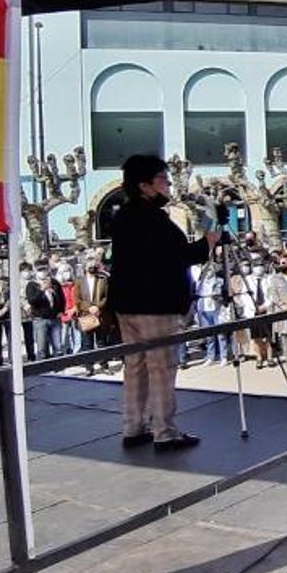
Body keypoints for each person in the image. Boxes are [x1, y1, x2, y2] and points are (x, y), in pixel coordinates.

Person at [107, 154, 217, 452]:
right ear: (144, 185)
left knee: (135, 367)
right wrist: (208, 242)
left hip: (126, 304)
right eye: (163, 180)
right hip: (155, 305)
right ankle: (165, 432)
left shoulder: (123, 216)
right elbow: (178, 256)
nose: (168, 185)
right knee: (161, 368)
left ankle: (133, 427)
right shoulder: (152, 219)